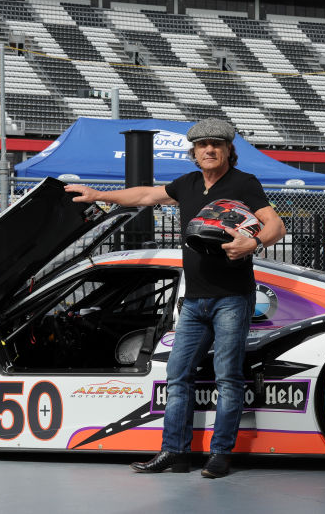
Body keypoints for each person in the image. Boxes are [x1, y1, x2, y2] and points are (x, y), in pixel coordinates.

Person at [64, 118, 286, 478]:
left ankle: (220, 454)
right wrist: (97, 195)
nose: (209, 150)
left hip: (232, 298)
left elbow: (275, 224)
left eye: (216, 144)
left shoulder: (244, 183)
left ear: (228, 150)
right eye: (202, 145)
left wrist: (254, 242)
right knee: (177, 375)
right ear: (194, 152)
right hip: (195, 300)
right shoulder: (187, 184)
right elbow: (145, 196)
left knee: (228, 377)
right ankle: (175, 452)